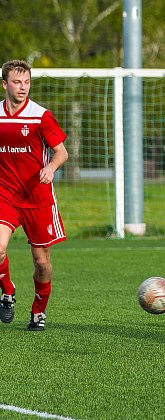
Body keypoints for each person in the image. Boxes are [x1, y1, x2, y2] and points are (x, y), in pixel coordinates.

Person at [0, 59, 68, 331]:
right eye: (17, 82)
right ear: (5, 84)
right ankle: (7, 290)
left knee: (41, 262)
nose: (23, 87)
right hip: (5, 194)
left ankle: (38, 310)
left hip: (37, 197)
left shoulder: (40, 115)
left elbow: (62, 152)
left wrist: (50, 168)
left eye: (27, 82)